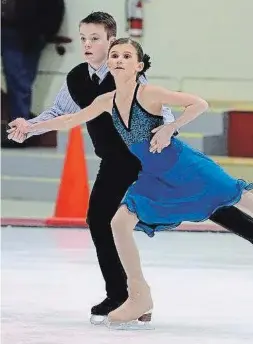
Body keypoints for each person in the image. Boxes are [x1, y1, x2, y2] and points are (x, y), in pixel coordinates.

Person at [7, 13, 253, 324]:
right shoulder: (81, 82)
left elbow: (162, 112)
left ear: (114, 42)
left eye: (95, 38)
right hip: (116, 161)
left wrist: (168, 130)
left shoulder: (133, 80)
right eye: (83, 38)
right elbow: (63, 115)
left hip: (155, 160)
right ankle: (125, 295)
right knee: (104, 219)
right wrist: (29, 127)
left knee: (220, 204)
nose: (87, 44)